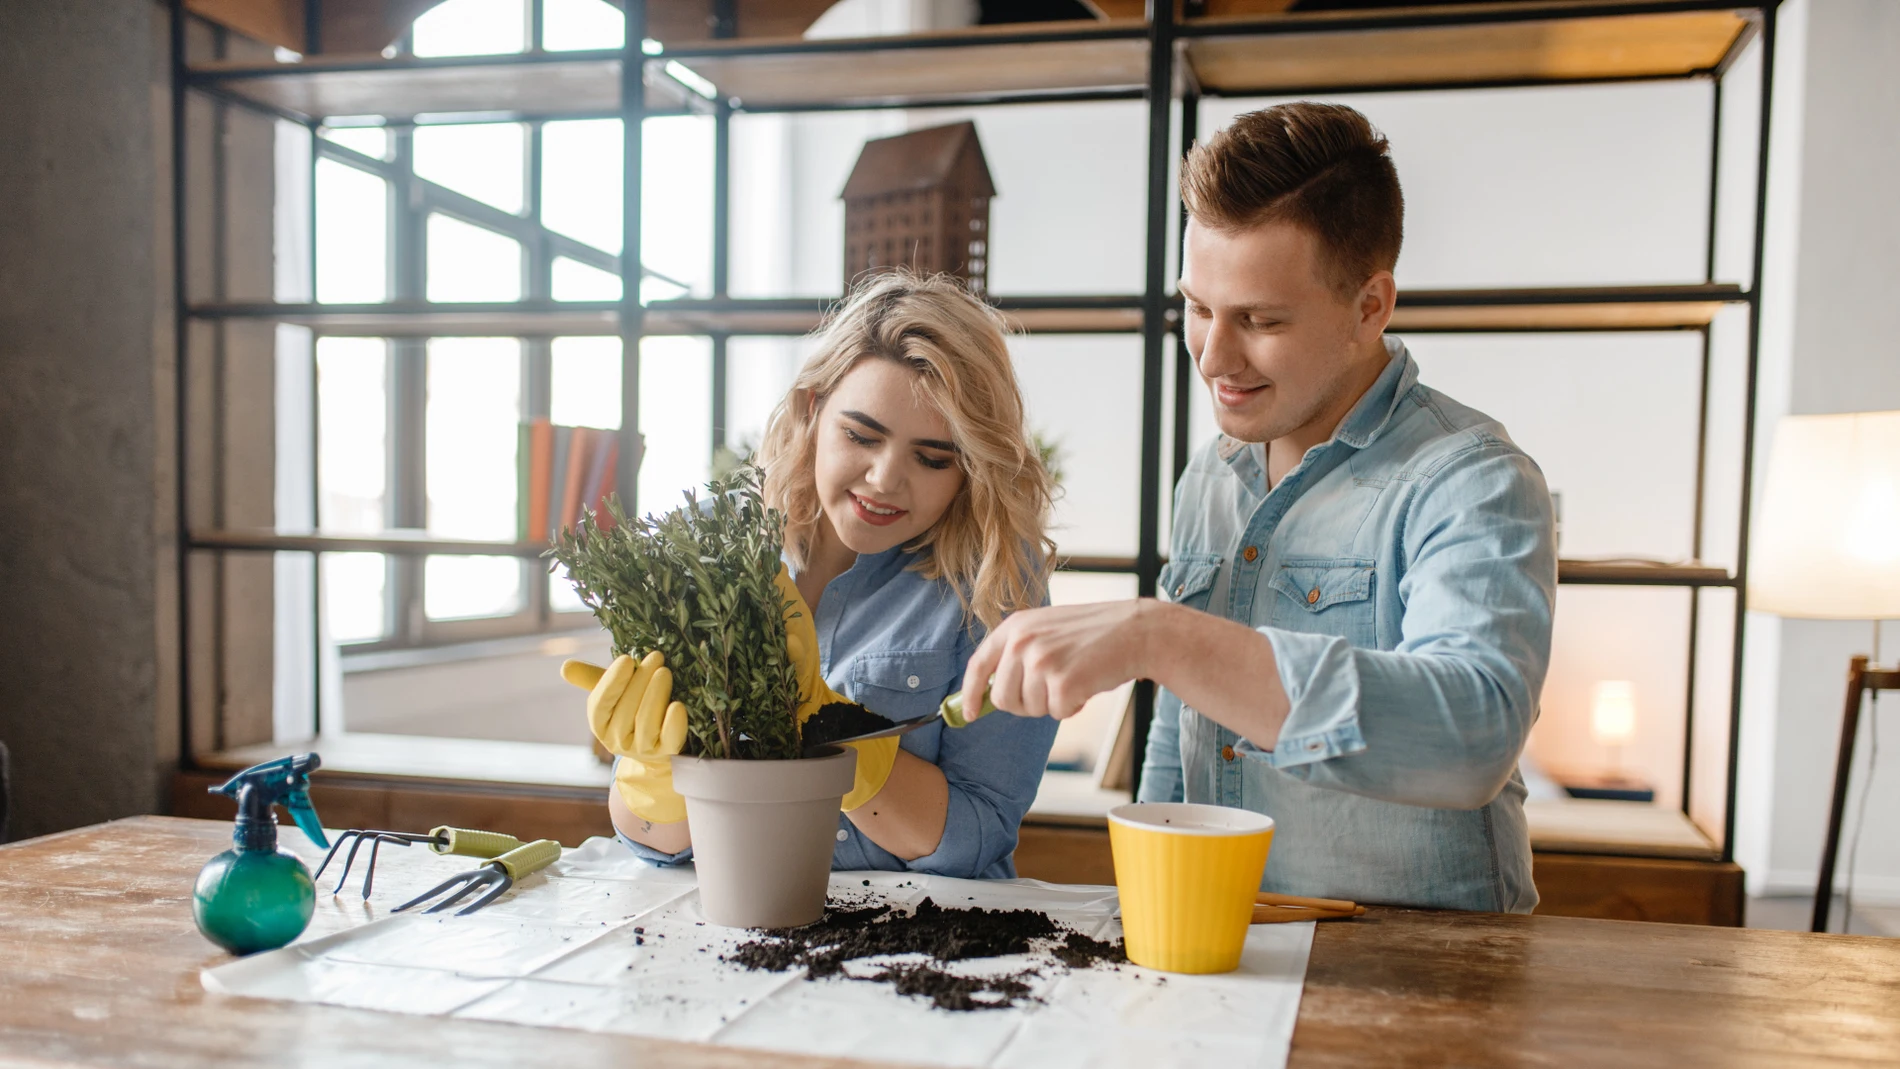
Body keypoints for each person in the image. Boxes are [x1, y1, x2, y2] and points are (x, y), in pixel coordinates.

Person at [960, 102, 1556, 912]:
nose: (1212, 356)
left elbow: (1472, 733)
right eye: (1198, 308)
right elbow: (1180, 728)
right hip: (1226, 938)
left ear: (1370, 306)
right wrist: (1148, 902)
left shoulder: (1471, 479)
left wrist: (1161, 636)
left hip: (1425, 959)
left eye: (1260, 319)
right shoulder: (1209, 477)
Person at [574, 271, 1060, 879]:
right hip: (724, 917)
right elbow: (659, 845)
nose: (885, 479)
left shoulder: (993, 579)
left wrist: (831, 729)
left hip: (921, 926)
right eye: (860, 435)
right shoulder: (706, 545)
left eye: (932, 458)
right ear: (813, 409)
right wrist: (651, 777)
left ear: (971, 466)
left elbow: (979, 832)